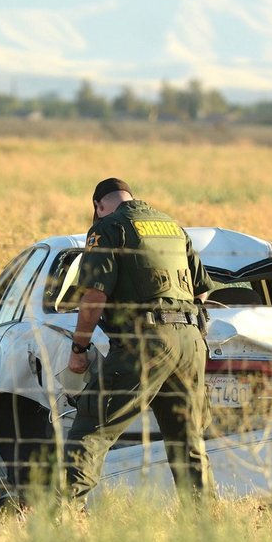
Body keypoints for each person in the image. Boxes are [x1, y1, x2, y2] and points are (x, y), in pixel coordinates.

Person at [63, 177, 214, 502]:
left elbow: (94, 296)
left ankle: (61, 517)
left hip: (146, 341)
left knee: (92, 427)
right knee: (187, 440)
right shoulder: (172, 226)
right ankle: (206, 524)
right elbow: (201, 291)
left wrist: (79, 349)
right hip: (190, 342)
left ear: (98, 206)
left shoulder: (108, 228)